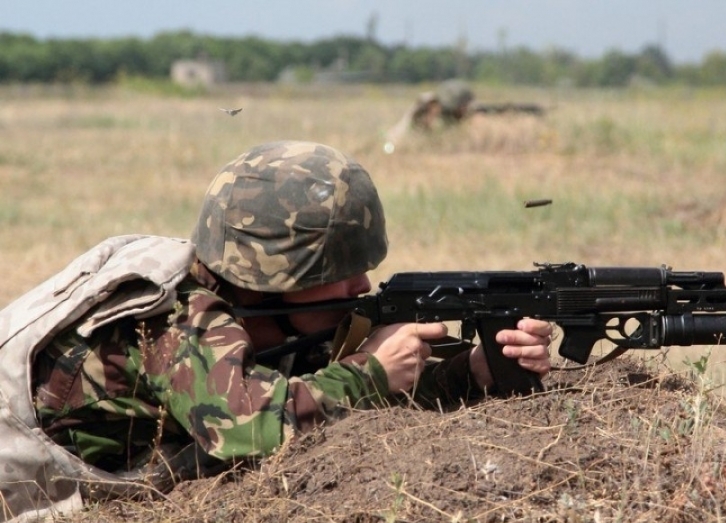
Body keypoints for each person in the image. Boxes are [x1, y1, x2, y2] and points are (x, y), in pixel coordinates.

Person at [27, 140, 553, 484]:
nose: (361, 284)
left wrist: (474, 370)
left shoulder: (266, 312)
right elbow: (247, 428)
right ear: (273, 278)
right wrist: (370, 372)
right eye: (337, 271)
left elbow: (314, 383)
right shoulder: (180, 321)